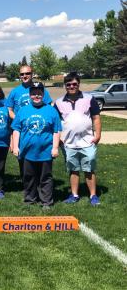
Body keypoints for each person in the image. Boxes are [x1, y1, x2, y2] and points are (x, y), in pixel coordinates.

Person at [12, 82, 61, 210]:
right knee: (28, 177)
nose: (36, 96)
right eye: (33, 93)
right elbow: (16, 129)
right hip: (27, 152)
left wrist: (55, 147)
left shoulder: (51, 110)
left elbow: (56, 130)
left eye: (39, 93)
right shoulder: (23, 110)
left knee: (45, 177)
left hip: (45, 151)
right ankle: (30, 199)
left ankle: (46, 201)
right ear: (30, 95)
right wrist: (15, 146)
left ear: (43, 94)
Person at [54, 72, 102, 206]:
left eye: (74, 84)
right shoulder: (58, 102)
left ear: (79, 84)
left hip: (87, 141)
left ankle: (93, 195)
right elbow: (55, 121)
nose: (71, 86)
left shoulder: (89, 98)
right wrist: (59, 138)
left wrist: (97, 135)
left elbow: (96, 118)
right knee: (73, 169)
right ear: (65, 86)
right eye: (68, 84)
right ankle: (74, 195)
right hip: (68, 143)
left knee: (89, 169)